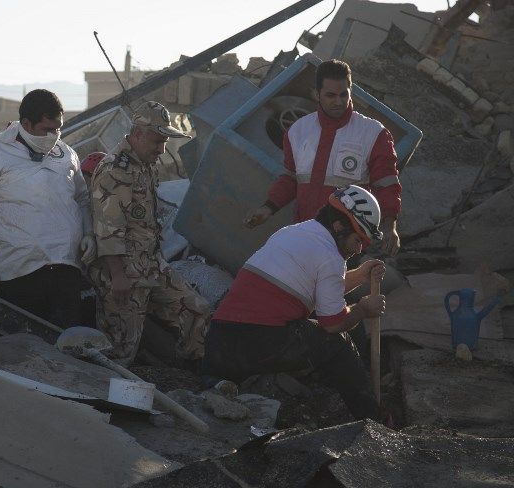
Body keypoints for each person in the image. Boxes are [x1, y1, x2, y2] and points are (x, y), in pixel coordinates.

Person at [204, 185, 386, 421]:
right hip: (257, 342)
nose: (359, 248)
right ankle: (372, 418)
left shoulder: (293, 232)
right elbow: (332, 323)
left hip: (220, 342)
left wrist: (360, 275)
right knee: (336, 341)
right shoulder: (330, 256)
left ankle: (219, 383)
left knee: (305, 329)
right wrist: (362, 310)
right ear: (339, 226)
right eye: (357, 239)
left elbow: (317, 287)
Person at [0, 89, 95, 329]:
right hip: (19, 275)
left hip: (66, 270)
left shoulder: (67, 155)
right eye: (46, 129)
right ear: (26, 124)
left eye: (58, 128)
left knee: (66, 347)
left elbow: (81, 199)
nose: (53, 135)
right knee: (25, 348)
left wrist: (88, 232)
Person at [89, 101, 211, 366]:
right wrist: (118, 276)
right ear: (138, 134)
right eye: (157, 141)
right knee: (120, 352)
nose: (162, 149)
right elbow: (108, 230)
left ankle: (188, 373)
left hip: (151, 266)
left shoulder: (143, 164)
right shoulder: (115, 171)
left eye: (165, 141)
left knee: (195, 309)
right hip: (122, 274)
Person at [244, 59, 402, 256]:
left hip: (344, 242)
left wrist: (390, 225)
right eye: (330, 95)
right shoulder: (297, 131)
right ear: (316, 94)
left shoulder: (373, 133)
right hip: (303, 234)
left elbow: (387, 185)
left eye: (344, 94)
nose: (338, 101)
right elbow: (291, 178)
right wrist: (268, 207)